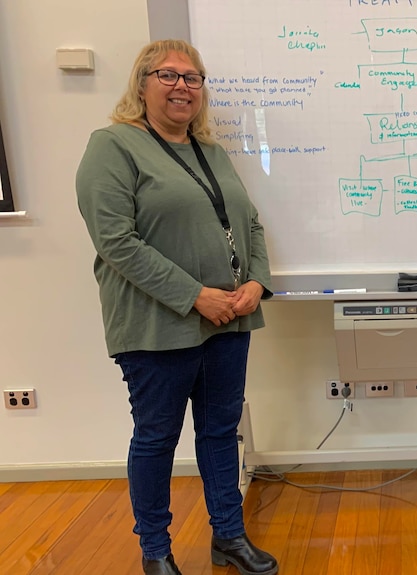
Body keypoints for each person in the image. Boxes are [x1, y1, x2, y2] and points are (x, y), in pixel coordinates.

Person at [76, 40, 278, 575]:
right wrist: (194, 296)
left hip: (230, 319)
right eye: (168, 75)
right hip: (156, 326)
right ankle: (156, 551)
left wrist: (257, 281)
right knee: (157, 437)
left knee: (218, 431)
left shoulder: (210, 151)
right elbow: (116, 241)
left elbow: (249, 222)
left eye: (193, 78)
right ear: (141, 84)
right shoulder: (112, 146)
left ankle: (229, 538)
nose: (182, 86)